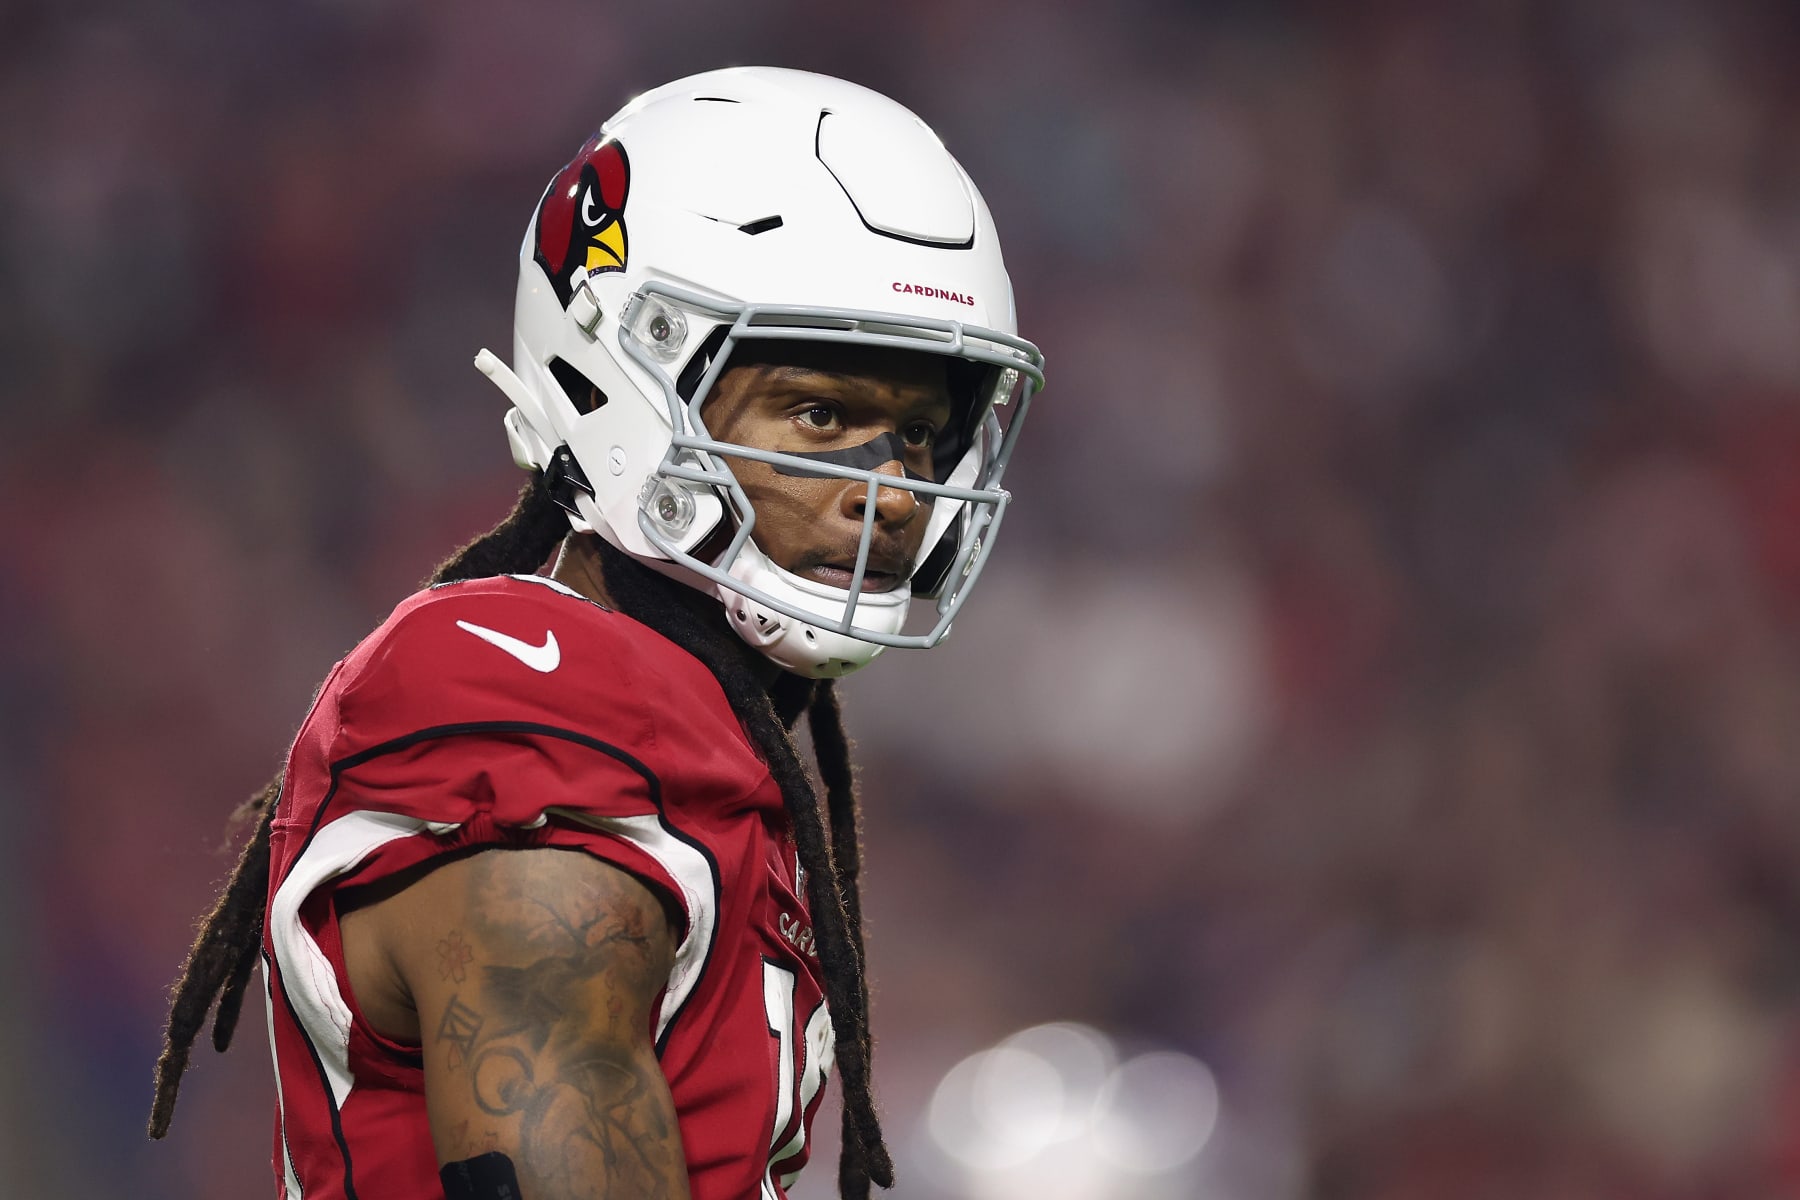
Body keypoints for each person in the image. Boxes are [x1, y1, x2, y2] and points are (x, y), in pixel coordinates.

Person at [147, 66, 1044, 1200]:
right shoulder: (525, 697)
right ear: (630, 373)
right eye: (821, 414)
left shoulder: (701, 729)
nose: (898, 492)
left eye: (919, 433)